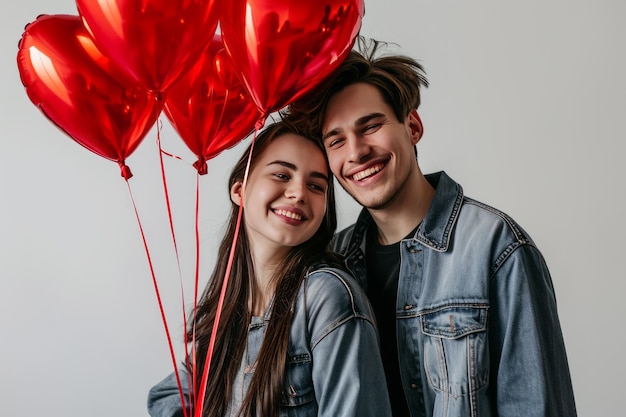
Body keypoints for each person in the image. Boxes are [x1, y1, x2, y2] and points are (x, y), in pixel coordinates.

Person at [285, 37, 577, 417]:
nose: (356, 152)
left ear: (413, 126)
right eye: (336, 141)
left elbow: (536, 406)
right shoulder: (329, 264)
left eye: (370, 126)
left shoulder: (497, 248)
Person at [146, 120, 391, 417]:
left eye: (315, 186)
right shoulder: (230, 302)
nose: (299, 193)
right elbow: (169, 395)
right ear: (240, 190)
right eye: (281, 175)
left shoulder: (327, 295)